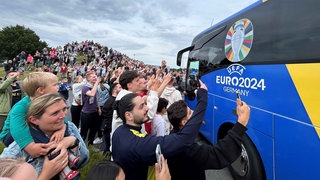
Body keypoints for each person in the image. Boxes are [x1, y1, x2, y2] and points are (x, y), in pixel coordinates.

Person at [112, 80, 207, 180]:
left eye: (144, 104)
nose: (147, 108)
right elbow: (183, 140)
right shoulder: (138, 144)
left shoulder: (119, 132)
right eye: (141, 106)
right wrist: (203, 99)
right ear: (129, 115)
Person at [0, 93, 89, 179]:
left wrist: (73, 141)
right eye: (55, 113)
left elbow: (84, 160)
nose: (63, 116)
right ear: (34, 120)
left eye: (64, 109)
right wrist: (46, 174)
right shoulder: (20, 148)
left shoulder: (69, 127)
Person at [166, 98, 250, 180]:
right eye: (190, 112)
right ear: (184, 122)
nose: (193, 112)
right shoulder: (186, 148)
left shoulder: (174, 136)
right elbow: (217, 154)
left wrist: (194, 125)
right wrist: (241, 122)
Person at [0, 72, 64, 157]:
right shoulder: (21, 107)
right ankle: (53, 152)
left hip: (33, 131)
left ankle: (60, 150)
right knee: (32, 127)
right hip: (10, 135)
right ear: (41, 90)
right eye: (55, 85)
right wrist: (30, 147)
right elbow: (17, 128)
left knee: (65, 125)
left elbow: (62, 115)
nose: (58, 88)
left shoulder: (49, 102)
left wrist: (61, 128)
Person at [80, 71, 102, 145]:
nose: (95, 78)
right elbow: (92, 94)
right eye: (93, 77)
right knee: (84, 131)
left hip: (94, 112)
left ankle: (90, 145)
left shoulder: (93, 87)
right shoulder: (85, 88)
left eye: (96, 76)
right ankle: (80, 147)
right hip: (86, 113)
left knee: (93, 130)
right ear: (88, 79)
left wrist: (98, 108)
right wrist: (97, 83)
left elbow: (95, 99)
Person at [101, 83, 121, 155]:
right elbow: (106, 114)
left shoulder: (115, 100)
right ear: (115, 89)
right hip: (109, 127)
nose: (122, 89)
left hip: (110, 127)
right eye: (120, 87)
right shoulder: (110, 101)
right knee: (108, 146)